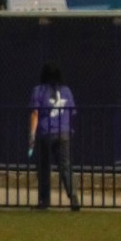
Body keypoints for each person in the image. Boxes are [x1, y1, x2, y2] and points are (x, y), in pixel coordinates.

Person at [28, 62, 80, 212]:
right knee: (65, 166)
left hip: (45, 132)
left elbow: (35, 114)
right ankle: (74, 197)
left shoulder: (38, 91)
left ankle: (44, 200)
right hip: (64, 132)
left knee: (43, 167)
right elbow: (72, 112)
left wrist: (31, 136)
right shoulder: (66, 91)